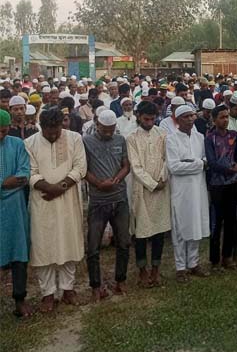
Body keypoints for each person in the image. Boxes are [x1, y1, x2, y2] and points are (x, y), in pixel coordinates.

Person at [25, 108, 87, 312]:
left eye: (56, 130)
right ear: (41, 126)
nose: (52, 134)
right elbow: (30, 172)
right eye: (48, 131)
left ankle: (68, 289)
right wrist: (47, 188)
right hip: (42, 201)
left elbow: (80, 167)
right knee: (44, 246)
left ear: (63, 124)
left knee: (68, 242)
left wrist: (59, 188)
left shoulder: (75, 138)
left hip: (68, 200)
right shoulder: (30, 142)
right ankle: (48, 294)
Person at [83, 109, 131, 300]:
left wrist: (117, 179)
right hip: (98, 201)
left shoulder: (120, 140)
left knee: (124, 242)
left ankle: (120, 280)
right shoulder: (86, 141)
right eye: (105, 129)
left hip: (119, 199)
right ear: (97, 125)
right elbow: (83, 169)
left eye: (112, 129)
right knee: (93, 246)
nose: (109, 132)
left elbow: (126, 165)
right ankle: (95, 286)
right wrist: (98, 184)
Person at [126, 101, 171, 288]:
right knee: (142, 233)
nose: (150, 122)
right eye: (146, 119)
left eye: (153, 119)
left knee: (159, 231)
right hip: (142, 190)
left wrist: (162, 179)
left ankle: (156, 270)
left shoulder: (162, 134)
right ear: (138, 116)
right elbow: (135, 166)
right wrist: (153, 184)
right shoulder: (132, 138)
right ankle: (142, 271)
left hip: (161, 189)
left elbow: (167, 159)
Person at [166, 105, 210, 282]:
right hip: (181, 190)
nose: (191, 119)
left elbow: (208, 160)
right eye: (186, 116)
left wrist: (194, 163)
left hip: (198, 188)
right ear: (178, 120)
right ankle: (180, 267)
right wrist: (199, 164)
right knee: (180, 228)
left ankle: (193, 263)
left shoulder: (200, 137)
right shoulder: (171, 139)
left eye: (192, 115)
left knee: (196, 225)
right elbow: (174, 167)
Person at [0, 109, 33, 317]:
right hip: (9, 197)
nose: (1, 136)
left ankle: (19, 300)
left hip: (14, 207)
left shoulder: (17, 144)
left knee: (19, 253)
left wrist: (11, 184)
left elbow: (24, 173)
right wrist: (4, 183)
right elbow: (12, 181)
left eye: (3, 131)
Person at [205, 105, 237, 271]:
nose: (225, 120)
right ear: (214, 119)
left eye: (227, 116)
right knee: (217, 222)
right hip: (217, 185)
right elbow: (212, 162)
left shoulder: (234, 135)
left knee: (232, 221)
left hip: (233, 183)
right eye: (222, 117)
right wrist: (228, 170)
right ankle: (214, 261)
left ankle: (227, 257)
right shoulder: (210, 138)